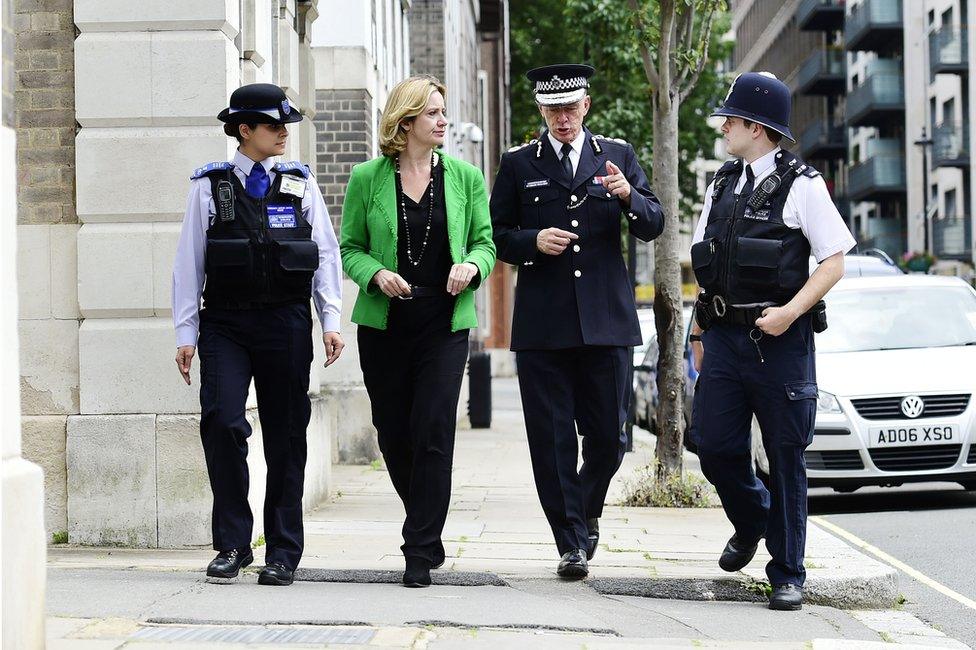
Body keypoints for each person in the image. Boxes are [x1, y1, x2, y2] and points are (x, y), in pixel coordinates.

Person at [688, 72, 856, 610]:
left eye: (730, 120)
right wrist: (697, 327)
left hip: (780, 341)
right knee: (713, 448)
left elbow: (834, 262)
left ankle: (787, 572)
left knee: (785, 456)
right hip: (724, 340)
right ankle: (753, 518)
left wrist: (789, 313)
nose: (724, 127)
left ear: (756, 128)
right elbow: (706, 265)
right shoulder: (720, 184)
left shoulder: (802, 184)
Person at [490, 64, 664, 579]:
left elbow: (653, 224)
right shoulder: (519, 163)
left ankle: (585, 510)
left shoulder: (617, 156)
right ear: (540, 112)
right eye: (552, 110)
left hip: (607, 323)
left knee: (608, 439)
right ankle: (570, 541)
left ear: (586, 105)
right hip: (545, 327)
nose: (562, 119)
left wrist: (629, 196)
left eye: (570, 108)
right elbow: (496, 234)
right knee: (551, 440)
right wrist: (531, 243)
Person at [172, 83, 344, 587]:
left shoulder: (299, 182)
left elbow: (325, 254)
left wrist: (330, 320)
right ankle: (232, 543)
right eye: (273, 125)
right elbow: (189, 265)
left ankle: (283, 550)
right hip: (224, 323)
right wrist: (186, 333)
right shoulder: (210, 186)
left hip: (286, 322)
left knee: (288, 434)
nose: (283, 133)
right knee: (224, 423)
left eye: (286, 125)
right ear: (244, 131)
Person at [339, 75, 496, 588]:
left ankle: (420, 547)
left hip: (444, 323)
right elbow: (348, 249)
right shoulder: (367, 178)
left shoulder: (466, 178)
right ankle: (426, 519)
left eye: (443, 112)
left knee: (433, 430)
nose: (443, 121)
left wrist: (471, 267)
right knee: (393, 431)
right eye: (432, 113)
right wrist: (374, 275)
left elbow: (485, 244)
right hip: (385, 325)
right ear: (405, 122)